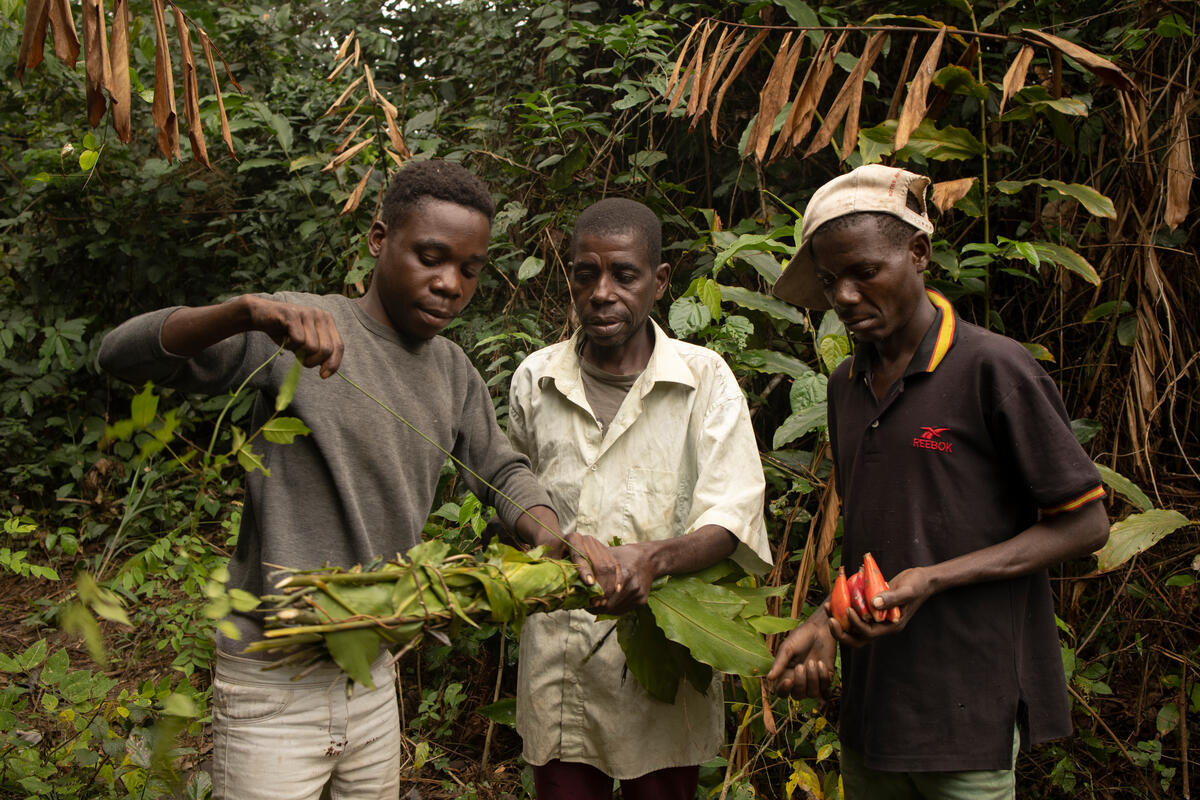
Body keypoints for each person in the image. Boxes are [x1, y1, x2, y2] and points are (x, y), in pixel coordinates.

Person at [98, 159, 561, 800]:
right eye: (431, 257)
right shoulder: (295, 326)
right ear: (378, 240)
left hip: (372, 675)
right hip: (272, 680)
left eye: (470, 269)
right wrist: (244, 314)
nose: (451, 284)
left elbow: (500, 468)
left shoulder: (452, 369)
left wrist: (553, 536)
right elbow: (120, 355)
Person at [766, 164, 1109, 799]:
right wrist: (823, 618)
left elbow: (1085, 524)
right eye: (830, 279)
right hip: (871, 709)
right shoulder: (845, 387)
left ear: (918, 253)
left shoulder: (994, 369)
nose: (843, 295)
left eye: (864, 271)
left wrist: (934, 580)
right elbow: (884, 535)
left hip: (965, 705)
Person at [505, 198, 773, 799]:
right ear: (569, 277)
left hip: (664, 657)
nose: (602, 292)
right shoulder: (536, 379)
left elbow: (733, 515)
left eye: (624, 274)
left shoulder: (705, 380)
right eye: (585, 273)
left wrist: (653, 559)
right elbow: (514, 492)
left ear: (659, 281)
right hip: (560, 658)